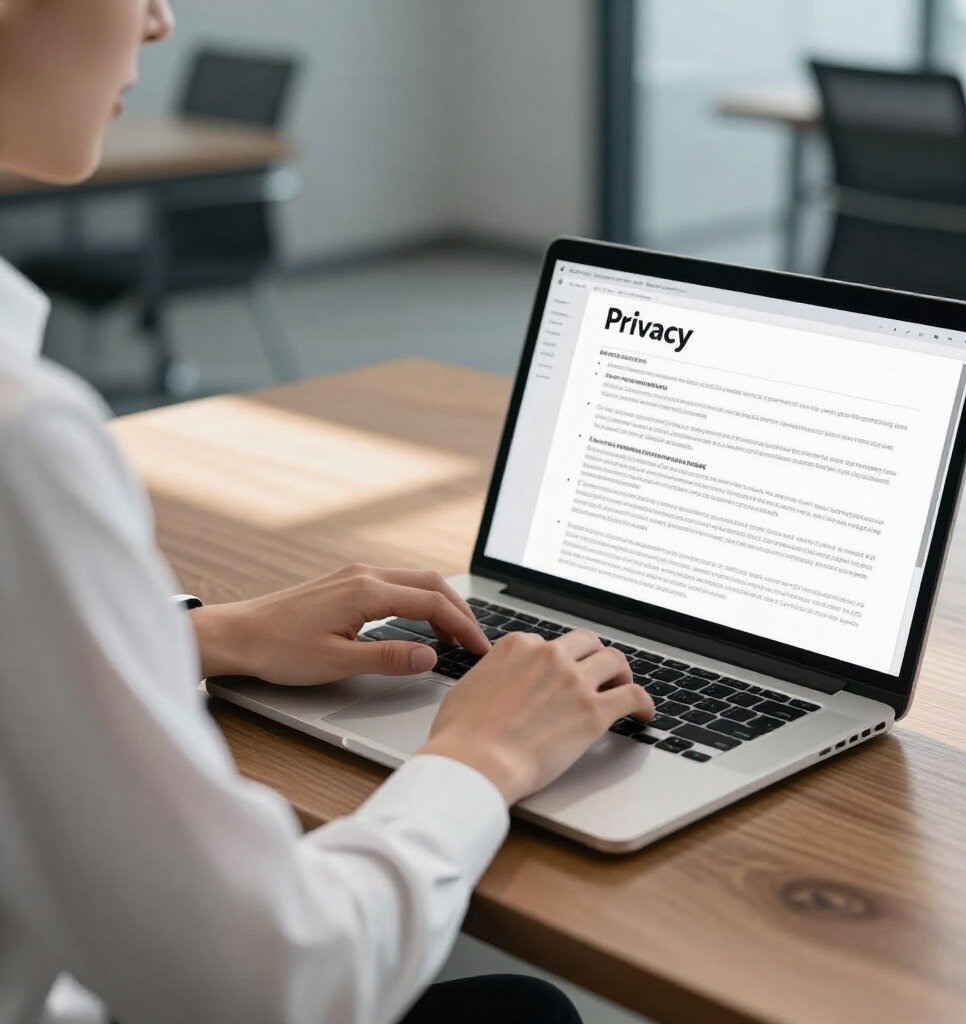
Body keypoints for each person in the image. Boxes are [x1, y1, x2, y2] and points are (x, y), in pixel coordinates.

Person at [0, 2, 655, 1023]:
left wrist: (198, 637)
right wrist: (481, 757)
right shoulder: (21, 440)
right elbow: (267, 984)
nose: (161, 22)